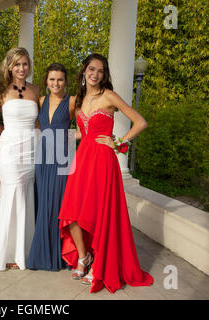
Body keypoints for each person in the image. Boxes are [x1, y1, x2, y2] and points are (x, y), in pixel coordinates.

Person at [58, 53, 154, 293]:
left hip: (103, 161)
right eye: (91, 69)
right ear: (84, 71)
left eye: (100, 71)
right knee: (72, 211)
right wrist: (56, 138)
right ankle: (83, 257)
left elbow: (140, 122)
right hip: (82, 159)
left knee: (101, 214)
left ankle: (99, 265)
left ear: (104, 75)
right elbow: (82, 132)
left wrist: (120, 143)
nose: (95, 74)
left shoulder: (109, 96)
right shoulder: (78, 101)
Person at [0, 47, 39, 271]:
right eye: (17, 64)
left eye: (25, 64)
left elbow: (39, 124)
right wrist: (5, 133)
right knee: (10, 194)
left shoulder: (36, 90)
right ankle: (6, 253)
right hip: (9, 150)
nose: (21, 68)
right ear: (9, 66)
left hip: (32, 149)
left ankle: (24, 251)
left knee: (27, 196)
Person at [27, 63, 75, 271]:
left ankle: (57, 255)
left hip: (62, 156)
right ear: (46, 81)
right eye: (52, 79)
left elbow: (84, 127)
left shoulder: (72, 101)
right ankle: (42, 251)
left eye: (60, 79)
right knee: (42, 200)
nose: (56, 83)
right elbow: (37, 125)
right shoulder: (40, 101)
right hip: (42, 155)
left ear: (66, 82)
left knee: (56, 202)